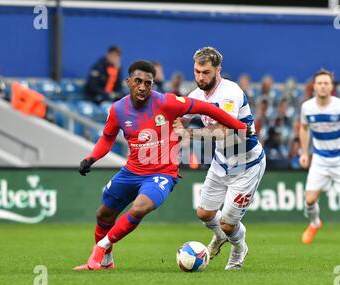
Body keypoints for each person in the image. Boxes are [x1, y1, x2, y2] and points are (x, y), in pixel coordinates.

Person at [74, 60, 250, 271]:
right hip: (132, 170)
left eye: (148, 83)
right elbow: (107, 139)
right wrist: (91, 158)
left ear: (152, 84)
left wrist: (239, 126)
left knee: (140, 208)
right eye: (138, 81)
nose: (142, 87)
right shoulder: (118, 110)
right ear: (128, 81)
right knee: (103, 214)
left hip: (162, 173)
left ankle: (101, 247)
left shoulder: (166, 102)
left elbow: (208, 108)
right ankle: (106, 262)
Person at [174, 47, 265, 270]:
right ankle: (221, 237)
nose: (200, 77)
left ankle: (239, 249)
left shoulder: (230, 92)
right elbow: (179, 121)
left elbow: (223, 130)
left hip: (247, 164)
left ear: (218, 70)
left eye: (205, 72)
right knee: (205, 213)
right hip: (222, 160)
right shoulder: (195, 95)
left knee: (227, 223)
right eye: (197, 71)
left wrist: (188, 134)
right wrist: (173, 126)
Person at [299, 69, 340, 246]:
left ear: (331, 86)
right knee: (309, 200)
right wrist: (305, 152)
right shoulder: (307, 107)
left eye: (326, 83)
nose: (322, 86)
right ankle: (315, 223)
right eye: (319, 83)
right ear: (314, 86)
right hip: (320, 160)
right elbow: (304, 128)